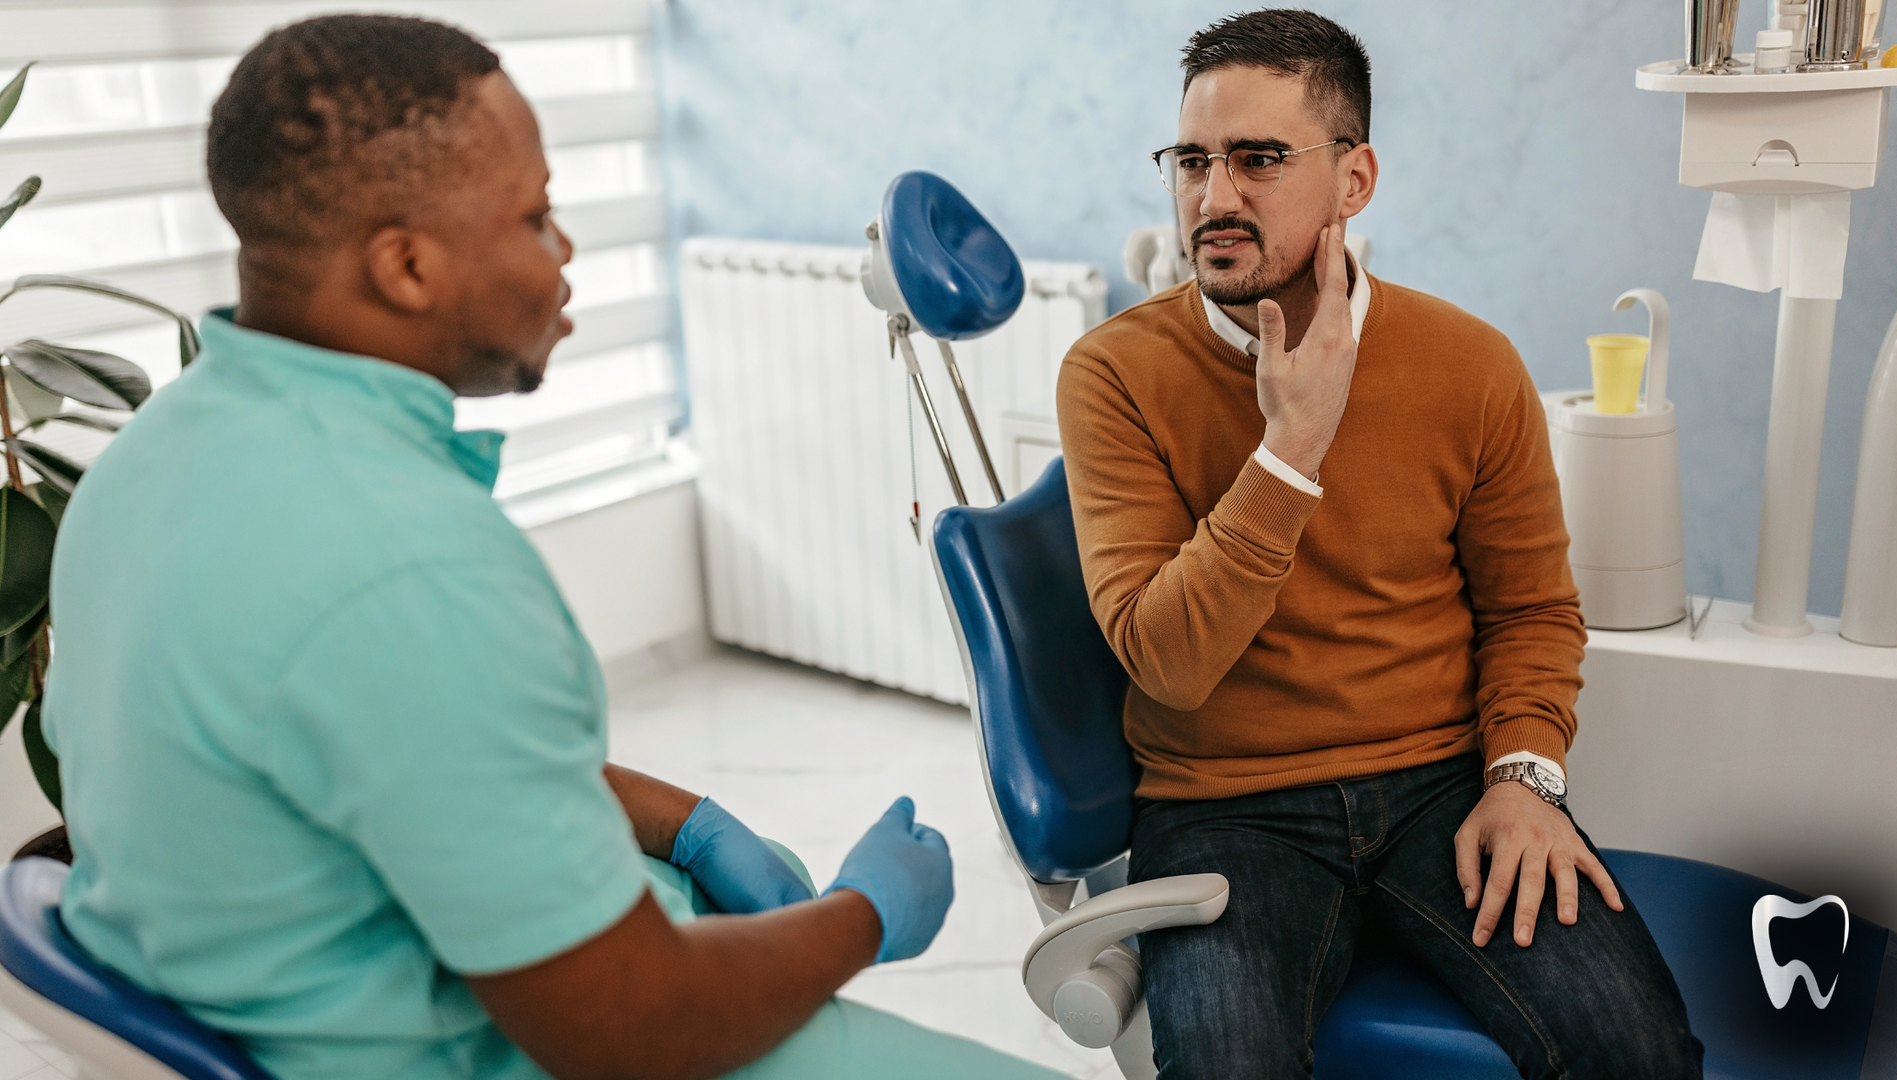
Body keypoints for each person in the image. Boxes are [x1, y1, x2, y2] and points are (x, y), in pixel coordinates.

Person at [42, 15, 1066, 1080]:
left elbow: (406, 747)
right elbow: (634, 1029)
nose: (565, 248)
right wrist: (864, 915)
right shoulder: (410, 567)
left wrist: (687, 826)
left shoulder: (148, 456)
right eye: (535, 217)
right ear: (405, 265)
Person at [1055, 10, 1704, 1079]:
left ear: (1353, 180)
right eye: (1192, 160)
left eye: (1259, 159)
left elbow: (1530, 610)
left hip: (1445, 788)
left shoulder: (1470, 364)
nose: (1213, 199)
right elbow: (1165, 661)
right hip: (1222, 808)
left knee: (1638, 1052)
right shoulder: (1112, 375)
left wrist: (1525, 779)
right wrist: (1290, 447)